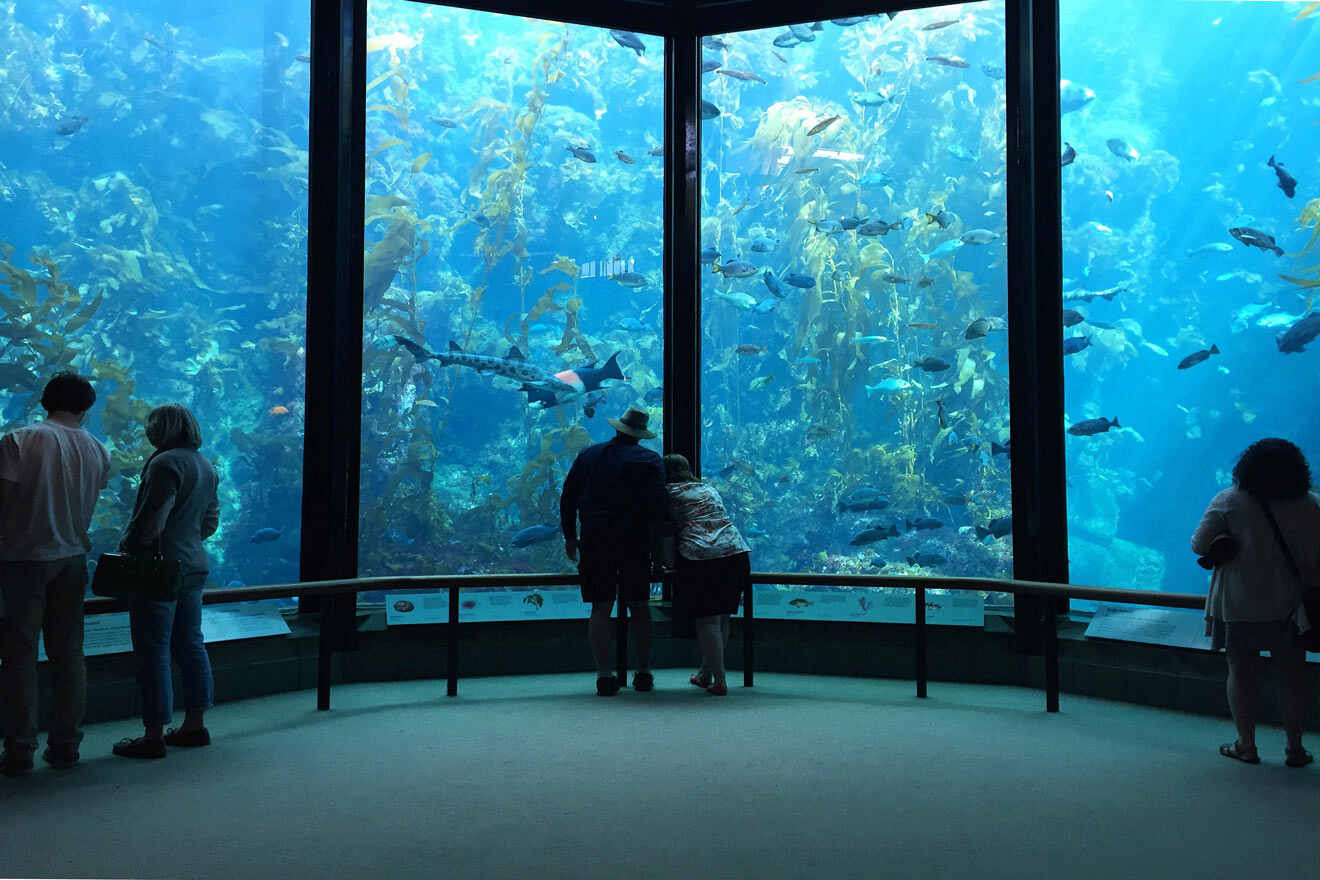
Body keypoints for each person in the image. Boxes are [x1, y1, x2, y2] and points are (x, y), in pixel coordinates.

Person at [0, 372, 110, 776]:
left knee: (19, 655)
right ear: (86, 407)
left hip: (23, 558)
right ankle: (66, 743)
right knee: (69, 653)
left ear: (45, 400)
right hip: (73, 558)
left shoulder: (20, 440)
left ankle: (19, 747)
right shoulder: (98, 449)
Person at [1193, 437, 1320, 767]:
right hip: (1294, 610)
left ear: (1245, 466)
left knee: (1241, 672)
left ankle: (1246, 745)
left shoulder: (1229, 501)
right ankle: (1295, 748)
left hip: (1240, 605)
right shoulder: (1311, 504)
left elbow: (1198, 544)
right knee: (1293, 677)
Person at [112, 403, 220, 759]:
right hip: (193, 564)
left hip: (159, 570)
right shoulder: (205, 465)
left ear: (165, 429)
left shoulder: (165, 463)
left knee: (153, 649)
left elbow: (153, 518)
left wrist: (130, 545)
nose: (148, 431)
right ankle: (194, 725)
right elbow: (210, 522)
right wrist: (186, 538)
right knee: (190, 644)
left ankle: (154, 734)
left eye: (152, 425)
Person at [561, 407, 668, 696]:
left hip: (596, 541)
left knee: (600, 607)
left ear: (618, 428)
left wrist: (571, 537)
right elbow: (660, 508)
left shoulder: (589, 456)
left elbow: (568, 497)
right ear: (640, 434)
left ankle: (604, 676)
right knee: (640, 606)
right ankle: (643, 673)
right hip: (636, 541)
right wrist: (660, 553)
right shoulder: (650, 460)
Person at [663, 454, 750, 697]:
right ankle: (705, 673)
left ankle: (720, 680)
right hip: (735, 551)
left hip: (702, 555)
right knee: (722, 617)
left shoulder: (668, 493)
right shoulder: (707, 488)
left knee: (707, 621)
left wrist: (668, 563)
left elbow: (667, 531)